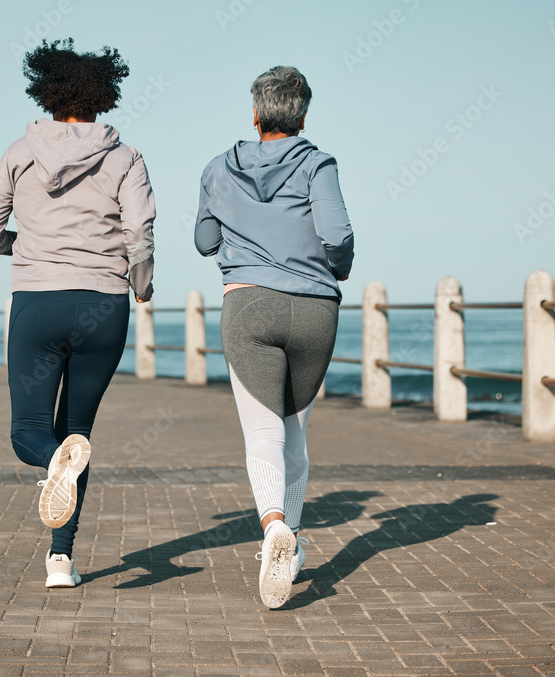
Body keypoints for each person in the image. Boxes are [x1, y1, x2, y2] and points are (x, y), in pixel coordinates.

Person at [0, 39, 155, 589]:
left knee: (30, 433)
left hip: (38, 303)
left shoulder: (18, 153)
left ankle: (56, 507)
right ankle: (60, 559)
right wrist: (141, 286)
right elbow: (140, 235)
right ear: (103, 96)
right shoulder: (126, 158)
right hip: (104, 304)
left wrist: (21, 249)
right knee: (75, 436)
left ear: (47, 93)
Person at [194, 66, 354, 608]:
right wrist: (336, 266)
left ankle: (273, 530)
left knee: (263, 432)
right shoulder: (318, 164)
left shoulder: (218, 169)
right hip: (315, 309)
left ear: (256, 114)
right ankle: (289, 539)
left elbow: (203, 239)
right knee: (296, 432)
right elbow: (339, 236)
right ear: (302, 115)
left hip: (249, 307)